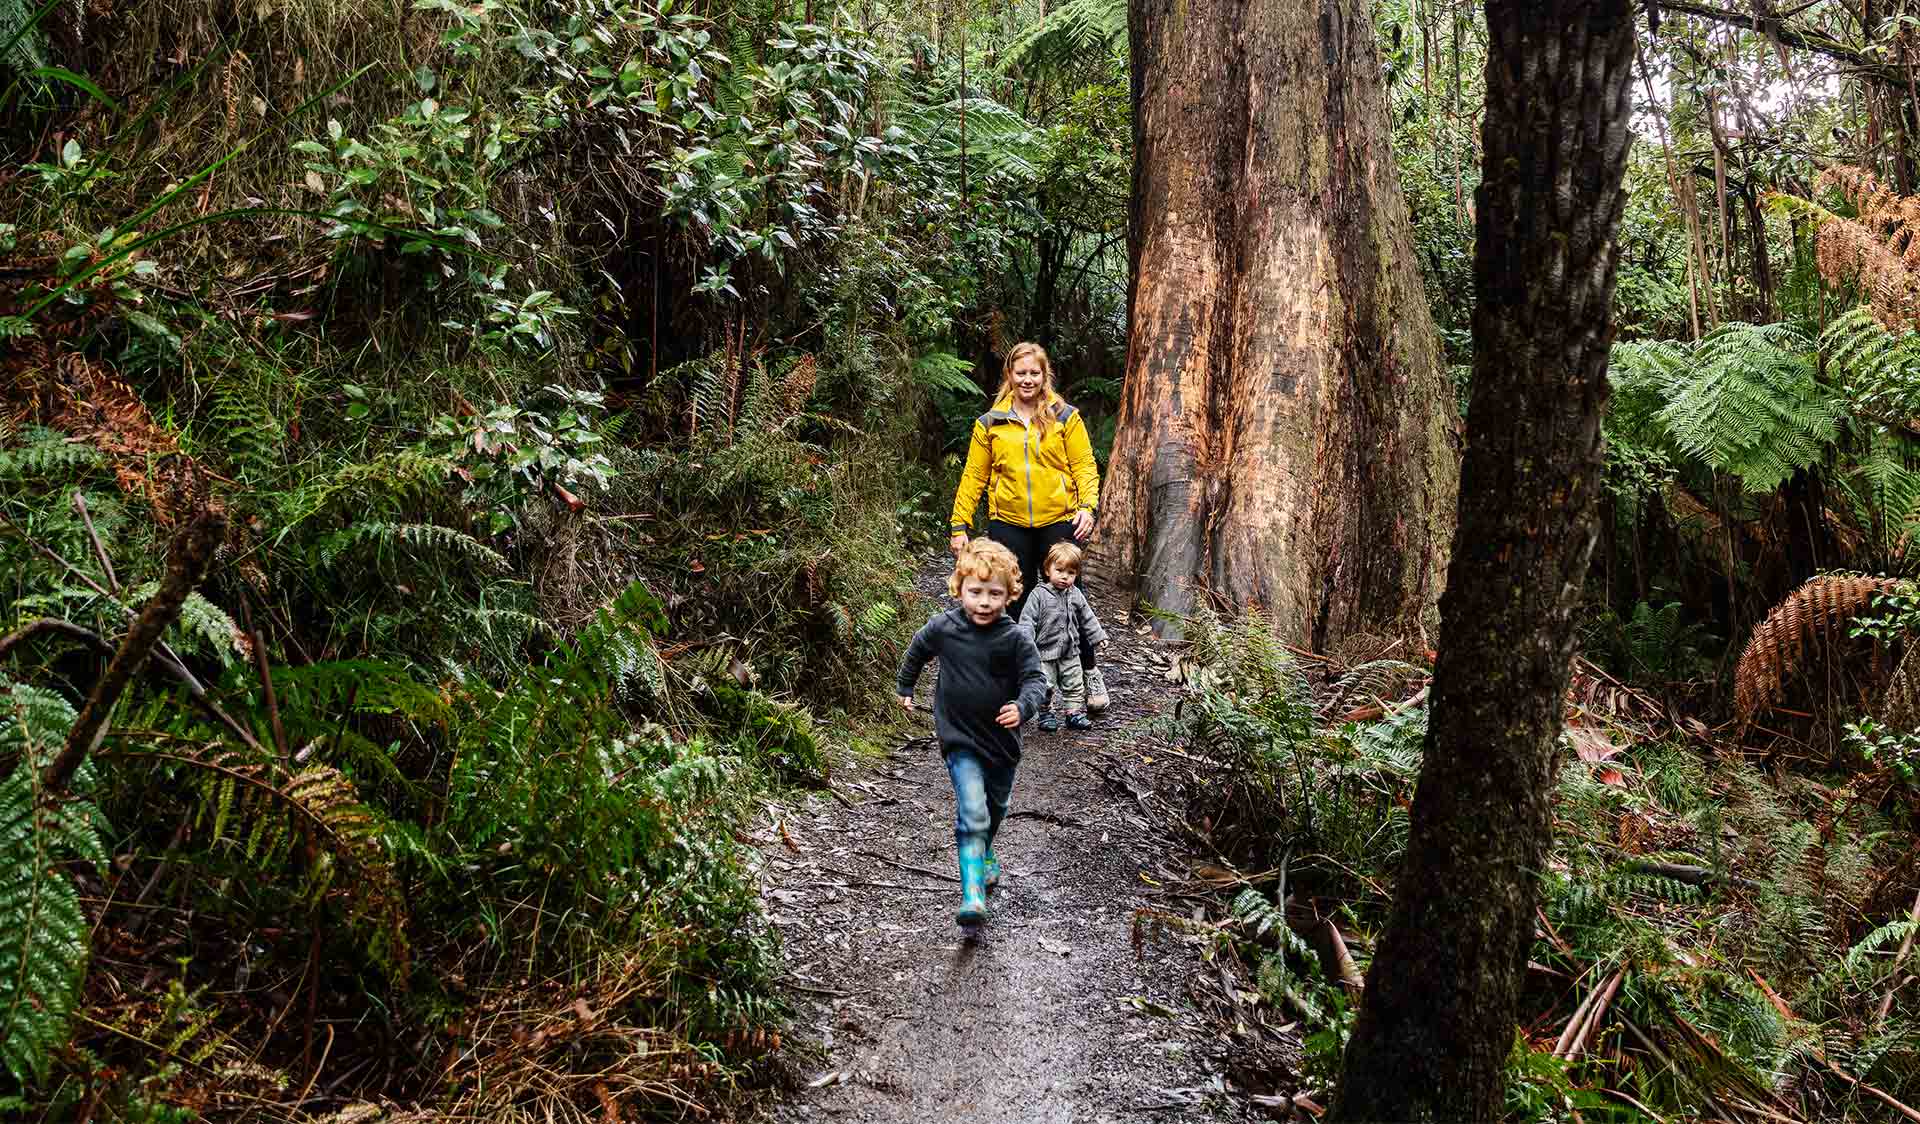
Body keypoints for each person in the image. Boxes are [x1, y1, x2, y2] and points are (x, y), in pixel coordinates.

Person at [896, 540, 1048, 928]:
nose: (984, 602)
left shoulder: (1016, 638)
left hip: (1002, 743)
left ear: (1010, 594)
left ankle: (986, 851)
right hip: (959, 737)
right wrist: (906, 688)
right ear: (959, 588)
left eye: (994, 593)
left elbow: (1036, 680)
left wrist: (1023, 706)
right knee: (973, 811)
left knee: (995, 807)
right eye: (975, 592)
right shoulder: (944, 627)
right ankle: (973, 894)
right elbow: (917, 650)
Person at [948, 342, 1101, 622]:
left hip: (1058, 520)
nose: (1027, 380)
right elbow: (974, 477)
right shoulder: (990, 423)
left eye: (1034, 373)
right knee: (1013, 598)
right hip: (1007, 522)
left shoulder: (1066, 417)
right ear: (1010, 374)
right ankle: (1017, 663)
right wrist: (959, 526)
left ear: (1044, 375)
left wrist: (1087, 507)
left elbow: (1084, 466)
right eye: (1021, 373)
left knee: (1067, 599)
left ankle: (1081, 663)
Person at [1018, 541, 1107, 731]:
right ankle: (1045, 713)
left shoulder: (1075, 594)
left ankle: (1073, 713)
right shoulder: (1038, 595)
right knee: (1044, 684)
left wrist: (1098, 636)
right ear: (1048, 570)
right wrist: (1025, 642)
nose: (1064, 577)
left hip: (1070, 651)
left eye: (1071, 573)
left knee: (1074, 684)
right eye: (1059, 570)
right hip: (1044, 651)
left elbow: (1087, 616)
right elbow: (1027, 620)